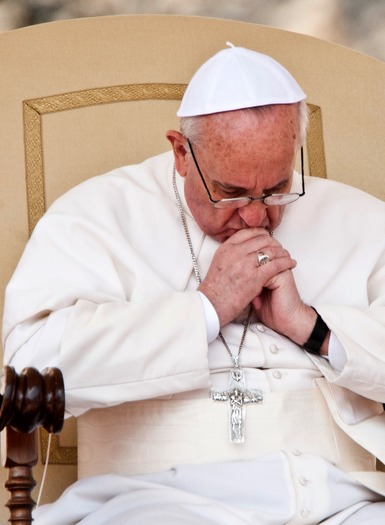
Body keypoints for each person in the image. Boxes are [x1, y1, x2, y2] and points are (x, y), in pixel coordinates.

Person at [3, 44, 385, 524]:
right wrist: (204, 310)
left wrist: (316, 330)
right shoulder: (95, 216)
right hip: (153, 500)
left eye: (275, 188)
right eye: (230, 193)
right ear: (182, 154)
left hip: (338, 499)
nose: (255, 216)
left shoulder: (363, 220)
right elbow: (26, 368)